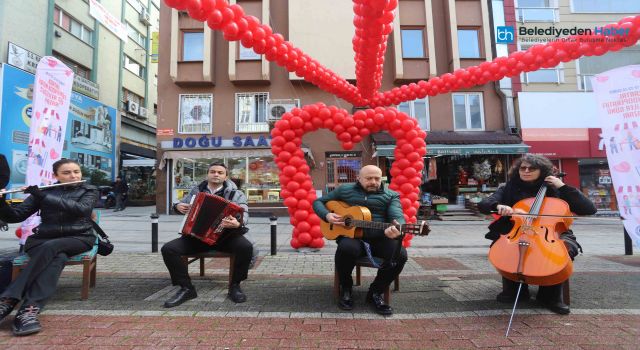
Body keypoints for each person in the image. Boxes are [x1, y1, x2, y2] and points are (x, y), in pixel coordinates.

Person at [478, 154, 596, 315]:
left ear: (542, 171)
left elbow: (588, 209)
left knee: (564, 249)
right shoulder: (509, 187)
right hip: (518, 231)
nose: (526, 171)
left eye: (532, 168)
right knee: (504, 248)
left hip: (553, 233)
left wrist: (562, 186)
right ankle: (514, 290)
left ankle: (550, 295)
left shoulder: (555, 188)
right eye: (522, 168)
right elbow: (484, 204)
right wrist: (498, 205)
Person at [0, 159, 98, 336]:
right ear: (56, 176)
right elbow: (16, 216)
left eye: (76, 171)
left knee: (53, 246)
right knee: (57, 258)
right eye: (66, 173)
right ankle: (29, 311)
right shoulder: (44, 191)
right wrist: (1, 202)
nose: (73, 175)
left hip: (78, 237)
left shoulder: (89, 190)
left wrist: (42, 196)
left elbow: (81, 209)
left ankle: (9, 298)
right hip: (43, 239)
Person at [312, 165, 407, 315]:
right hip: (353, 237)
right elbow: (318, 202)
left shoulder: (391, 195)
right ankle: (346, 288)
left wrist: (397, 228)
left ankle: (375, 292)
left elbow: (398, 216)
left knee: (400, 255)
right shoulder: (345, 190)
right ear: (358, 178)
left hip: (380, 238)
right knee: (346, 249)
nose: (373, 182)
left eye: (377, 178)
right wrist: (327, 215)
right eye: (369, 178)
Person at [161, 162, 253, 307]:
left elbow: (244, 212)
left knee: (246, 247)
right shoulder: (196, 191)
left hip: (225, 237)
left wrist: (238, 223)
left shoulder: (236, 193)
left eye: (220, 172)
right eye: (213, 171)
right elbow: (180, 204)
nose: (216, 174)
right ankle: (186, 288)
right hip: (197, 236)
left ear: (226, 176)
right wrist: (177, 206)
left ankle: (235, 286)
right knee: (168, 249)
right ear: (207, 174)